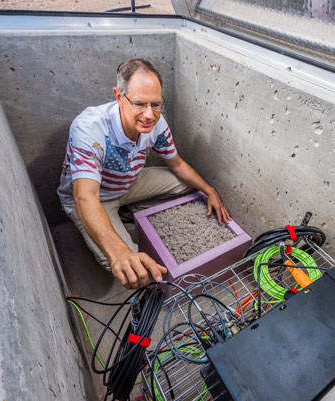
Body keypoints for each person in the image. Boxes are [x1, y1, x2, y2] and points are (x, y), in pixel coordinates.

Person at [57, 58, 230, 290]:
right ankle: (120, 221)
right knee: (128, 265)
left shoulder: (156, 123)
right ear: (119, 97)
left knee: (189, 187)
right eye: (139, 104)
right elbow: (84, 197)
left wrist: (209, 190)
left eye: (156, 104)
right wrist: (120, 254)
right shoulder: (90, 129)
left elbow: (177, 164)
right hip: (97, 198)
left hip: (131, 182)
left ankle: (132, 213)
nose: (149, 115)